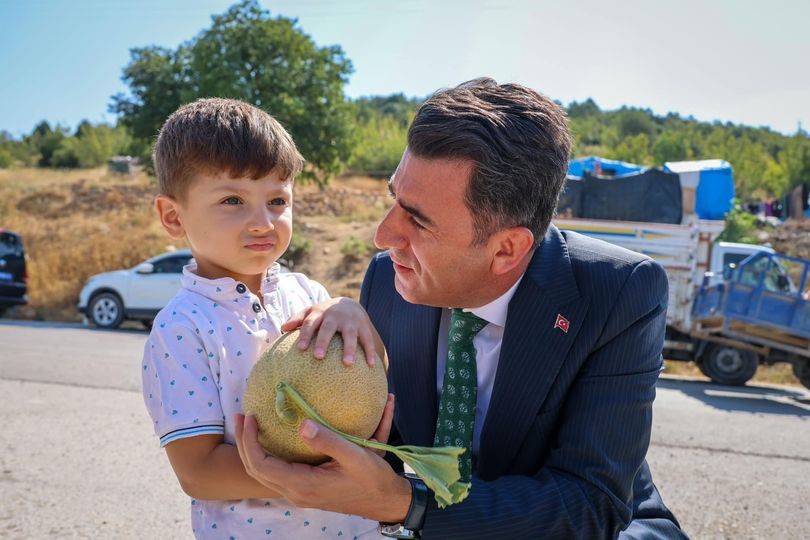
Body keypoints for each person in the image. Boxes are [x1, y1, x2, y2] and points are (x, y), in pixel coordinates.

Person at [236, 79, 686, 539]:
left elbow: (588, 507)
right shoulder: (387, 280)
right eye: (394, 199)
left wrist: (404, 505)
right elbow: (384, 448)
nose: (383, 236)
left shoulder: (618, 292)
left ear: (507, 249)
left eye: (418, 219)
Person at [141, 97, 390, 539]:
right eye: (233, 200)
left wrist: (352, 311)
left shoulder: (312, 295)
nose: (263, 222)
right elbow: (198, 472)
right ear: (173, 216)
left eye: (277, 200)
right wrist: (319, 469)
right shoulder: (182, 327)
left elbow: (369, 380)